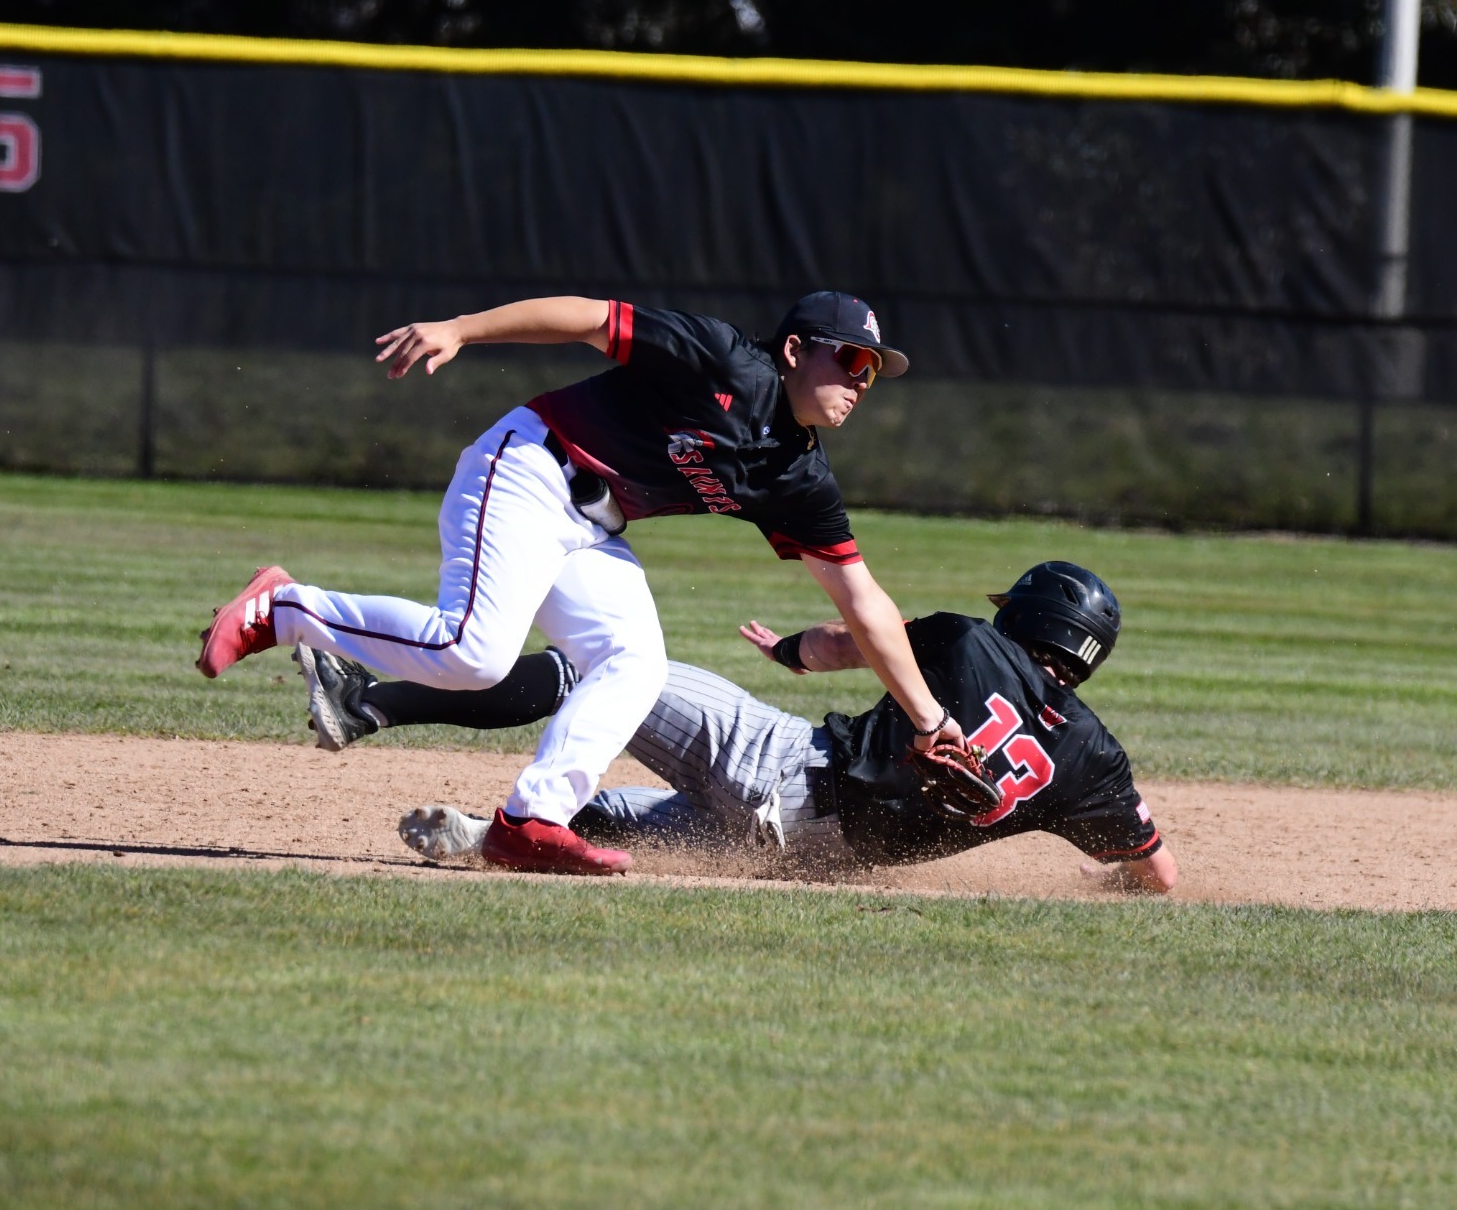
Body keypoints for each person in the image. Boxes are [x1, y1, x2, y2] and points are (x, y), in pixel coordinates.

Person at [194, 292, 970, 877]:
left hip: (591, 528)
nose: (863, 381)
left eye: (874, 371)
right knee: (473, 653)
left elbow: (864, 603)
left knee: (636, 663)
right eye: (853, 360)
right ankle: (282, 607)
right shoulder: (726, 361)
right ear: (797, 349)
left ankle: (529, 822)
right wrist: (461, 329)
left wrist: (930, 719)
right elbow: (590, 318)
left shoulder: (798, 475)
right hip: (530, 466)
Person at [296, 562, 1177, 892]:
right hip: (809, 857)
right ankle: (490, 836)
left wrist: (793, 649)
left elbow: (850, 639)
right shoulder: (1095, 759)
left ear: (1026, 614)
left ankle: (371, 702)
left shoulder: (972, 641)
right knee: (606, 819)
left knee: (607, 670)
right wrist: (1117, 885)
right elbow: (1158, 872)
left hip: (781, 768)